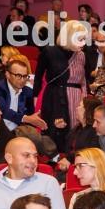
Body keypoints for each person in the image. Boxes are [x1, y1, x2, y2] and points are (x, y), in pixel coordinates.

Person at [35, 20, 91, 150]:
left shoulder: (82, 55)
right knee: (56, 131)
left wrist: (84, 101)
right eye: (80, 38)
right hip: (54, 97)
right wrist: (36, 98)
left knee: (76, 132)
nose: (83, 43)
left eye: (84, 39)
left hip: (77, 98)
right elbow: (38, 77)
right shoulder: (50, 51)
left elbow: (84, 81)